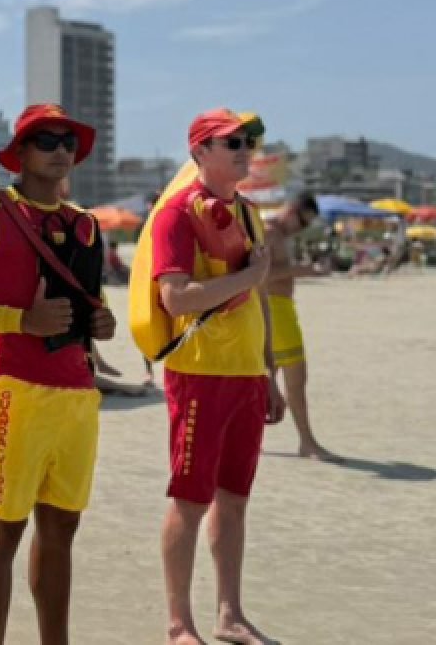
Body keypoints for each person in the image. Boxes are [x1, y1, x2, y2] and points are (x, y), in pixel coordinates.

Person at [0, 103, 117, 645]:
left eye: (69, 142)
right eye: (47, 140)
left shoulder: (86, 224)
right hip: (15, 387)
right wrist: (18, 320)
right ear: (21, 153)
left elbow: (92, 302)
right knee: (4, 527)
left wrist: (101, 322)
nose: (61, 151)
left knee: (62, 528)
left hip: (78, 392)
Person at [151, 109, 285, 645]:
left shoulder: (250, 214)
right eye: (230, 141)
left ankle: (230, 614)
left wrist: (269, 373)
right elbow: (175, 297)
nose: (243, 148)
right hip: (199, 375)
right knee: (189, 498)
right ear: (200, 151)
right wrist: (249, 275)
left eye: (247, 141)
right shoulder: (177, 214)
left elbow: (262, 301)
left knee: (235, 498)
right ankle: (179, 623)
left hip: (247, 375)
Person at [264, 192, 337, 462]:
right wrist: (303, 270)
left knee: (265, 379)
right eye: (302, 222)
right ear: (291, 210)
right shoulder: (269, 232)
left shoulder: (280, 235)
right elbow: (263, 274)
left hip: (278, 309)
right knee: (296, 380)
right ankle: (307, 442)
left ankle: (250, 440)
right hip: (275, 310)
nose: (301, 229)